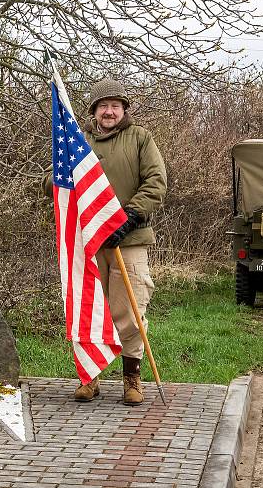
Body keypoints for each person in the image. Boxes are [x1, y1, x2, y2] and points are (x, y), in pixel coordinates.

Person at [43, 78, 167, 405]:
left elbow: (156, 182)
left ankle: (132, 379)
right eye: (102, 106)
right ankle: (89, 377)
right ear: (94, 112)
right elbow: (51, 181)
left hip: (130, 239)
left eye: (114, 106)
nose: (109, 111)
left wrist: (127, 218)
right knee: (89, 308)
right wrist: (63, 176)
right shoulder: (77, 143)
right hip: (88, 243)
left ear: (124, 109)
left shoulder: (140, 138)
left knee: (130, 308)